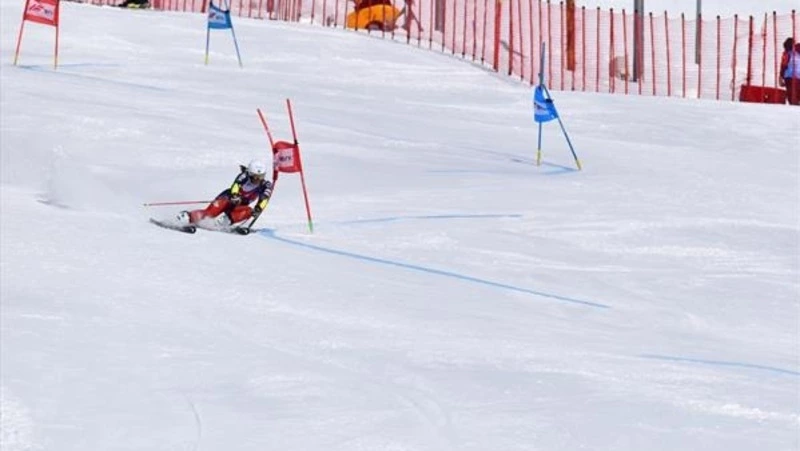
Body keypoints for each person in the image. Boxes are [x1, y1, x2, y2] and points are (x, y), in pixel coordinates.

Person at [177, 159, 274, 228]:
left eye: (260, 176)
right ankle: (188, 217)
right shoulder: (244, 176)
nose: (257, 180)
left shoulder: (266, 185)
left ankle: (223, 223)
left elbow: (265, 198)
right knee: (210, 214)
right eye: (255, 177)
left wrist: (259, 208)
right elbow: (236, 185)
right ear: (249, 174)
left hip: (239, 205)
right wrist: (235, 195)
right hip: (227, 199)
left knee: (249, 211)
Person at [780, 38, 800, 106]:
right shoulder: (796, 53)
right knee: (794, 96)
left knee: (792, 96)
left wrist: (781, 77)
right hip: (794, 77)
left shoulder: (788, 53)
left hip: (790, 77)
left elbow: (783, 66)